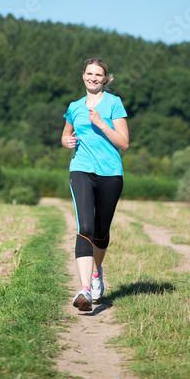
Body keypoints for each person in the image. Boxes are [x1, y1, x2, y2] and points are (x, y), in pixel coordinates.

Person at [61, 57, 129, 311]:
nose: (93, 78)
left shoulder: (114, 104)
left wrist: (101, 123)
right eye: (89, 73)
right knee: (85, 226)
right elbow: (66, 134)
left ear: (105, 79)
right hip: (81, 170)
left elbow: (123, 143)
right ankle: (85, 290)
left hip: (110, 173)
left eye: (98, 75)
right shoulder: (75, 106)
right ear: (83, 76)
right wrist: (66, 141)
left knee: (101, 232)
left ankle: (97, 273)